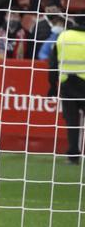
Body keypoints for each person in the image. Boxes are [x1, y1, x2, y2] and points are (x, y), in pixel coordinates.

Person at [49, 17, 85, 164]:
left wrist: (52, 85)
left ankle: (73, 155)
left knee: (72, 123)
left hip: (67, 85)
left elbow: (52, 64)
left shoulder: (63, 36)